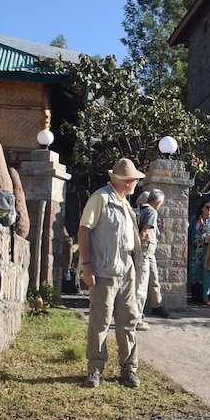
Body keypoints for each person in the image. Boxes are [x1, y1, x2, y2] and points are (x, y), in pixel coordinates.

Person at [78, 158, 145, 389]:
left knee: (128, 320)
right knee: (100, 322)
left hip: (126, 270)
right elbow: (83, 230)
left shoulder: (125, 204)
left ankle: (129, 369)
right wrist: (87, 266)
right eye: (135, 178)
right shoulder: (101, 198)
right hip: (104, 270)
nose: (137, 182)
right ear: (127, 181)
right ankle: (95, 369)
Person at [134, 189, 170, 331]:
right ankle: (136, 318)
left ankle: (155, 305)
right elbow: (144, 232)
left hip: (146, 253)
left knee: (150, 279)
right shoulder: (152, 212)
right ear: (158, 202)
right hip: (144, 253)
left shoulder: (141, 209)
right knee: (141, 286)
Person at [188, 199, 210, 308]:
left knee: (207, 274)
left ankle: (206, 298)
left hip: (207, 249)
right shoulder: (194, 219)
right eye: (207, 207)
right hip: (195, 248)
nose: (209, 209)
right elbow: (188, 232)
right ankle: (186, 293)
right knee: (191, 272)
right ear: (202, 208)